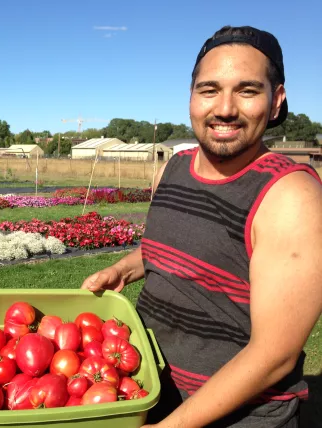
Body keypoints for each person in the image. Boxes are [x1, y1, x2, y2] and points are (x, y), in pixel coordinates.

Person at [82, 25, 322, 427]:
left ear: (276, 100)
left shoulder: (291, 196)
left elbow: (274, 355)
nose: (225, 108)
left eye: (247, 90)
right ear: (191, 96)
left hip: (238, 417)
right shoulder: (172, 169)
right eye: (209, 90)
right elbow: (186, 244)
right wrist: (127, 267)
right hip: (149, 389)